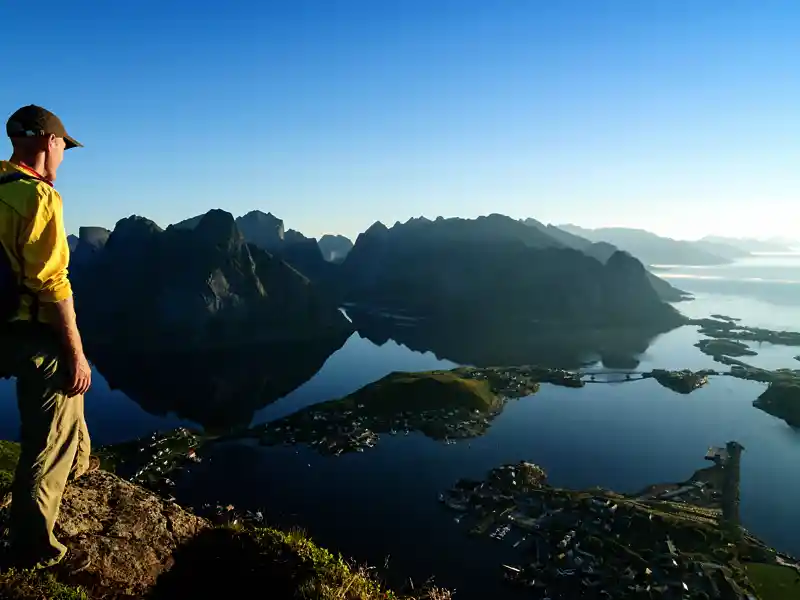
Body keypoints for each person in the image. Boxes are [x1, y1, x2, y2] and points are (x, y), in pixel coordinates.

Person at [0, 105, 96, 571]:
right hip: (32, 331)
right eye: (63, 144)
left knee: (69, 419)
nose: (63, 153)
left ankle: (78, 475)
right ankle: (33, 549)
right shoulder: (38, 198)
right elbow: (52, 283)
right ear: (46, 141)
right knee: (48, 441)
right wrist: (75, 352)